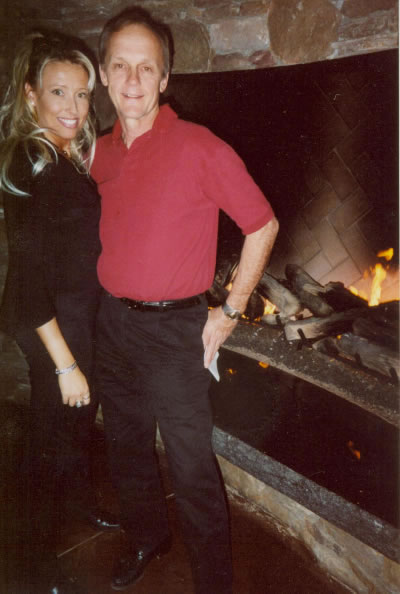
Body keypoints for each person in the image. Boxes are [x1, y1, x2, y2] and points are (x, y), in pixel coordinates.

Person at [92, 7, 279, 593]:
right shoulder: (99, 152)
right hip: (111, 322)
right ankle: (147, 536)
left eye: (146, 67)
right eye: (120, 65)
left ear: (165, 78)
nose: (132, 79)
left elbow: (263, 225)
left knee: (192, 466)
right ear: (103, 73)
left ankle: (212, 583)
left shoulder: (199, 146)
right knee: (125, 443)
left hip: (174, 333)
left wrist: (230, 312)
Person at [0, 31, 119, 594]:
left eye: (82, 93)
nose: (73, 107)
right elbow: (26, 278)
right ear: (31, 95)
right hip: (48, 321)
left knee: (72, 424)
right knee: (48, 438)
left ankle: (75, 502)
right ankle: (30, 565)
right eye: (58, 92)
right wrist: (65, 364)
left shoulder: (62, 153)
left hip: (72, 313)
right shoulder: (33, 159)